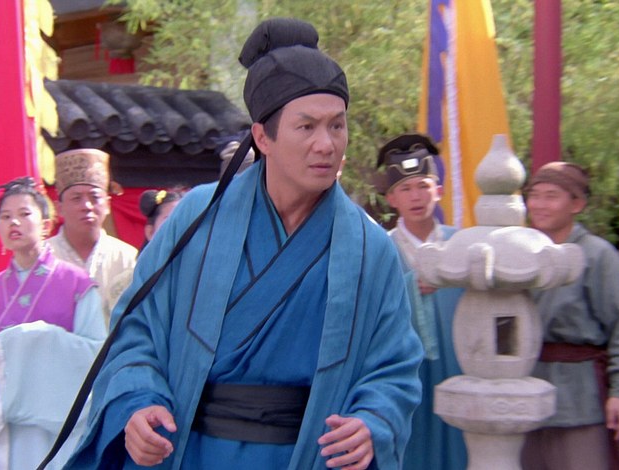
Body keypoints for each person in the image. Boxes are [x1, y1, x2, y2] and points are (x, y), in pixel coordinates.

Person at [64, 18, 423, 470]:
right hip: (192, 450)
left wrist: (373, 419)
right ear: (262, 137)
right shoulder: (195, 218)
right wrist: (138, 402)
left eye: (337, 125)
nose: (326, 144)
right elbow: (137, 327)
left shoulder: (371, 248)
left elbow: (394, 363)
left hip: (307, 455)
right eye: (307, 126)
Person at [519, 161, 619, 470]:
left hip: (581, 401)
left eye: (551, 196)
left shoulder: (597, 255)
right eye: (534, 195)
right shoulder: (521, 252)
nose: (539, 204)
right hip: (525, 397)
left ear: (577, 204)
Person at [0, 177, 107, 469]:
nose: (14, 223)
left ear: (46, 225)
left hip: (60, 415)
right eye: (5, 217)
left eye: (24, 214)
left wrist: (41, 339)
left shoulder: (77, 283)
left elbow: (95, 353)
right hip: (7, 419)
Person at [379, 133, 467, 470]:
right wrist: (408, 286)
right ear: (391, 198)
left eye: (423, 186)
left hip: (457, 366)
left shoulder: (461, 245)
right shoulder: (381, 249)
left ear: (438, 191)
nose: (416, 196)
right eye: (405, 189)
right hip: (404, 370)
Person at [47, 148, 137, 326]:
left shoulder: (128, 258)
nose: (86, 206)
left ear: (108, 205)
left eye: (94, 197)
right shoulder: (44, 256)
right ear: (59, 208)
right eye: (76, 198)